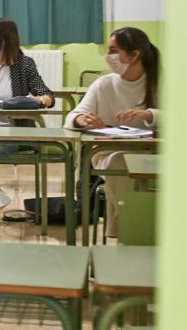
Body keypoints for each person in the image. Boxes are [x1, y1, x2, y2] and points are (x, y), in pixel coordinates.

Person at [64, 27, 160, 237]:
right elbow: (71, 117)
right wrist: (82, 119)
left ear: (134, 55)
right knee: (121, 161)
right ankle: (130, 228)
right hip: (109, 153)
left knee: (130, 164)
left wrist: (148, 115)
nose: (108, 56)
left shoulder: (158, 82)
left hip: (150, 151)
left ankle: (130, 229)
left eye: (114, 50)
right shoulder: (103, 84)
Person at [0, 18, 54, 227]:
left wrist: (39, 100)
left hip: (14, 133)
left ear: (7, 39)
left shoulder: (24, 65)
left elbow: (46, 94)